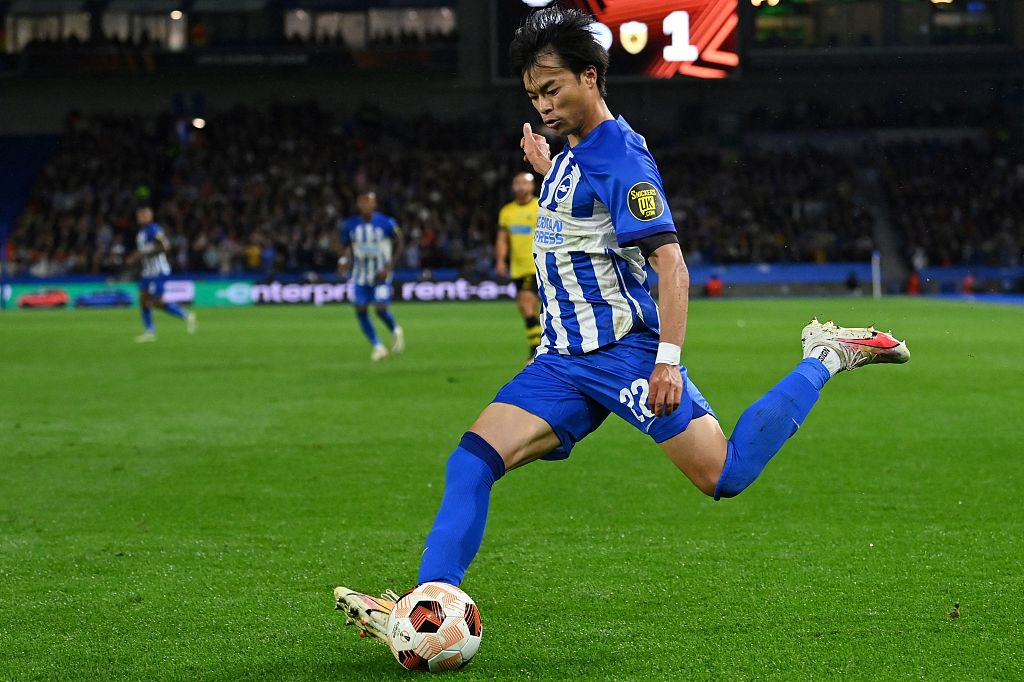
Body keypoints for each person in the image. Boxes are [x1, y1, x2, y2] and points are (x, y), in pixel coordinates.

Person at [334, 6, 909, 645]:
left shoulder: (623, 160)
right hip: (560, 362)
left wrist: (667, 358)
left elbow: (671, 263)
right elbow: (587, 225)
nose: (543, 104)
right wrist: (552, 166)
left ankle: (825, 355)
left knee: (725, 475)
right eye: (532, 95)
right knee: (469, 464)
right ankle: (428, 605)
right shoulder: (574, 154)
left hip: (625, 354)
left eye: (552, 89)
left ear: (590, 77)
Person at [338, 191, 405, 362]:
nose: (366, 205)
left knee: (380, 309)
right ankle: (378, 346)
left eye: (369, 202)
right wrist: (343, 260)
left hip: (381, 274)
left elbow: (400, 242)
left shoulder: (386, 222)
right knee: (360, 309)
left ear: (374, 205)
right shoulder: (350, 225)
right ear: (359, 205)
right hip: (360, 275)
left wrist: (389, 267)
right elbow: (347, 246)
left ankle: (395, 329)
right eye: (363, 202)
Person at [495, 171, 542, 357]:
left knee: (526, 303)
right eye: (517, 183)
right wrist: (500, 260)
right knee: (526, 307)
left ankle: (536, 349)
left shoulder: (541, 206)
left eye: (525, 183)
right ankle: (541, 343)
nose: (521, 186)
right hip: (518, 267)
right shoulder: (507, 211)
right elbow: (502, 239)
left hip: (536, 265)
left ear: (532, 186)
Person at [132, 206, 195, 342]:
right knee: (143, 299)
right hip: (147, 272)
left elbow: (164, 246)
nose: (140, 218)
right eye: (139, 216)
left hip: (158, 271)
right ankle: (150, 331)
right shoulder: (142, 232)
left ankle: (185, 315)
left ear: (149, 216)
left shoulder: (154, 230)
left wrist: (144, 253)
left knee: (157, 302)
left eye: (143, 215)